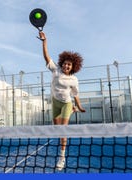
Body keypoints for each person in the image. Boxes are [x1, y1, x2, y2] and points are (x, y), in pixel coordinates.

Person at [39, 31, 86, 170]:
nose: (66, 66)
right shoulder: (56, 70)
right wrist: (44, 41)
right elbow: (47, 57)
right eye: (65, 64)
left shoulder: (74, 79)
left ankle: (62, 157)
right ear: (62, 63)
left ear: (73, 67)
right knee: (56, 128)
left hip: (66, 103)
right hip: (55, 102)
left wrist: (80, 106)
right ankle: (72, 111)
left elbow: (75, 94)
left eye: (69, 65)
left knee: (63, 131)